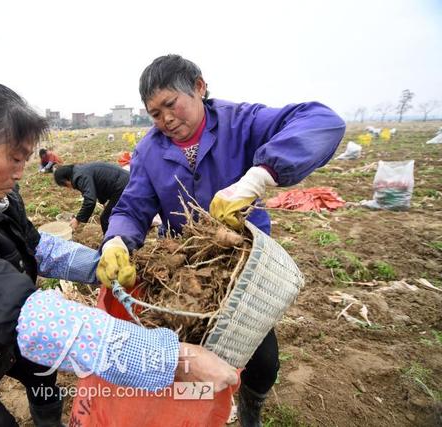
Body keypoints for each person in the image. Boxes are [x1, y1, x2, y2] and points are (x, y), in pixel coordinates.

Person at [0, 81, 238, 427]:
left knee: (42, 373)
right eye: (14, 158)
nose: (21, 172)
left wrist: (100, 265)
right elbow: (28, 316)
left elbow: (36, 247)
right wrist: (174, 358)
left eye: (25, 158)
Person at [96, 55, 346, 427]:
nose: (165, 119)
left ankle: (251, 408)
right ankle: (192, 413)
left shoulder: (240, 122)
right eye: (154, 113)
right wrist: (116, 240)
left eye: (171, 104)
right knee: (186, 353)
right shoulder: (149, 150)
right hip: (184, 268)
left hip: (243, 264)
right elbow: (133, 208)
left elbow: (323, 122)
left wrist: (259, 177)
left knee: (262, 359)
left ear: (198, 87)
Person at [53, 162, 129, 233]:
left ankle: (111, 243)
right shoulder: (80, 171)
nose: (68, 188)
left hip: (123, 186)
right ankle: (120, 234)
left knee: (105, 219)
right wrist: (103, 202)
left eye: (65, 185)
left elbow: (90, 200)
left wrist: (77, 219)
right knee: (113, 214)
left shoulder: (81, 177)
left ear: (66, 180)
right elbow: (98, 187)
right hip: (123, 182)